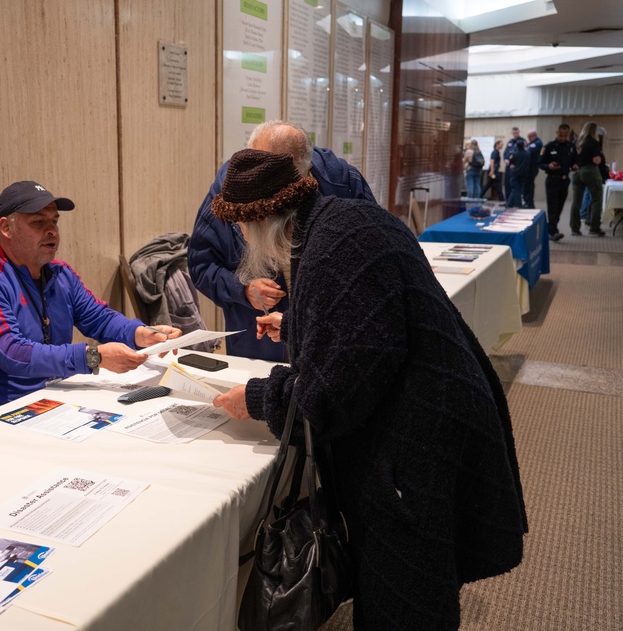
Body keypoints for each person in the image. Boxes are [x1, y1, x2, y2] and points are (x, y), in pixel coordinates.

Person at [210, 149, 527, 628]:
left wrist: (255, 398)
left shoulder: (328, 250)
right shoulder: (346, 220)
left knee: (404, 600)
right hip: (437, 418)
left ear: (260, 223)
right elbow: (369, 325)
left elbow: (332, 394)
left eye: (242, 230)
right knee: (420, 586)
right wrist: (298, 324)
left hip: (413, 448)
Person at [0, 181, 180, 420]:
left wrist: (140, 333)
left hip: (47, 398)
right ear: (6, 228)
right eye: (38, 222)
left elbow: (99, 318)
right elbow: (12, 353)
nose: (52, 231)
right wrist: (93, 357)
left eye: (54, 221)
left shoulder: (60, 274)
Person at [187, 120, 376, 362]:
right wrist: (241, 289)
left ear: (303, 174)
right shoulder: (230, 192)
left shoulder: (344, 185)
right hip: (257, 352)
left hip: (331, 350)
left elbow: (371, 275)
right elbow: (201, 265)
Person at [539, 123, 577, 242]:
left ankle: (552, 228)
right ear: (557, 133)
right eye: (561, 135)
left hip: (565, 180)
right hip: (552, 180)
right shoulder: (549, 147)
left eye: (565, 136)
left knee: (560, 207)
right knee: (553, 207)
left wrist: (575, 165)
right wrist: (548, 166)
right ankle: (552, 231)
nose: (562, 138)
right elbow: (540, 163)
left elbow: (575, 160)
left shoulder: (571, 147)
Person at [570, 122, 606, 236]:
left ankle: (574, 229)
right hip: (590, 171)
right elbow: (596, 160)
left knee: (576, 201)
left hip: (577, 172)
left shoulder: (577, 143)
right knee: (596, 200)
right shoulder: (594, 143)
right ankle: (594, 228)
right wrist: (600, 158)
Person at [505, 132, 529, 209]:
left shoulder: (515, 154)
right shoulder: (528, 153)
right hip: (524, 173)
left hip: (515, 173)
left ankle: (517, 204)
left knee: (515, 189)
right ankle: (509, 203)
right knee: (518, 189)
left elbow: (510, 162)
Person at [502, 127, 523, 206]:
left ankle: (514, 203)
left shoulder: (522, 141)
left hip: (516, 167)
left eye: (516, 133)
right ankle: (508, 202)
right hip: (508, 166)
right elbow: (506, 153)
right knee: (507, 184)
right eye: (514, 133)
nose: (515, 135)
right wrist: (505, 159)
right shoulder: (510, 142)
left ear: (519, 132)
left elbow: (523, 154)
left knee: (514, 185)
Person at [523, 130, 543, 209]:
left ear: (534, 136)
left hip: (532, 167)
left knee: (529, 185)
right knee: (526, 185)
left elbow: (527, 152)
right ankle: (527, 201)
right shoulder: (531, 143)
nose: (528, 139)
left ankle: (530, 203)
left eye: (529, 137)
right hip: (528, 168)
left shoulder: (537, 143)